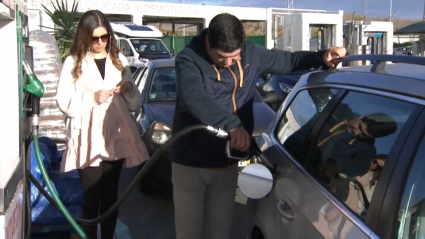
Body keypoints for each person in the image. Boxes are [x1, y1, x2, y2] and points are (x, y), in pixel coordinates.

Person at [171, 13, 347, 239]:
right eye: (221, 57)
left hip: (227, 162)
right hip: (190, 164)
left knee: (220, 232)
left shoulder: (251, 54)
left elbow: (288, 61)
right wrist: (233, 124)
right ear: (208, 43)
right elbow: (192, 96)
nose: (227, 63)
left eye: (234, 57)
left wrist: (322, 56)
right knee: (189, 234)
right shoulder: (189, 59)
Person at [56, 10, 149, 239]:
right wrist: (91, 97)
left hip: (113, 136)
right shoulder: (73, 61)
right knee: (91, 198)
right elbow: (64, 102)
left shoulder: (118, 60)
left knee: (110, 198)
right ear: (84, 36)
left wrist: (128, 90)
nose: (99, 43)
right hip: (87, 138)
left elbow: (135, 104)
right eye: (94, 38)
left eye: (104, 37)